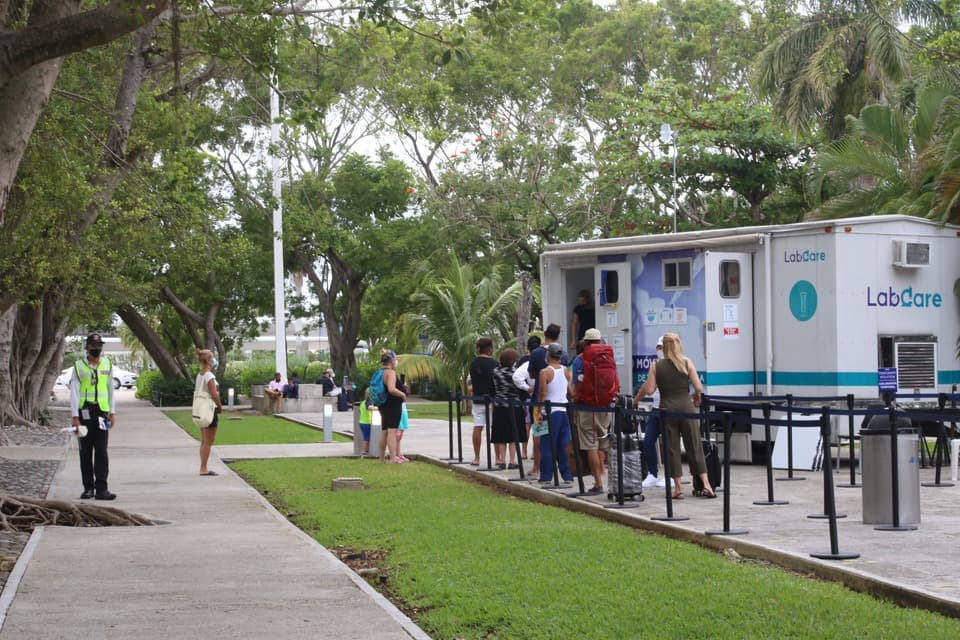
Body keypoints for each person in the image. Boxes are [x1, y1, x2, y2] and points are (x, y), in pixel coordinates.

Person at [634, 332, 715, 499]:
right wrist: (694, 396)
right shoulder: (687, 362)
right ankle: (706, 484)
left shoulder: (656, 365)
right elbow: (698, 387)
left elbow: (649, 390)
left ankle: (678, 488)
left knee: (672, 449)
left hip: (666, 409)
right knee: (694, 445)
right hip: (686, 407)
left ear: (663, 347)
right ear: (678, 345)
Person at [69, 333, 116, 500]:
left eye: (99, 346)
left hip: (102, 413)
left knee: (102, 451)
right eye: (94, 346)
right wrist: (75, 417)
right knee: (85, 451)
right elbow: (74, 393)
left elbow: (110, 390)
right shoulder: (79, 366)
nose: (97, 349)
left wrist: (112, 412)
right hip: (85, 413)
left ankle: (102, 488)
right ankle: (88, 488)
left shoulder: (107, 364)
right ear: (87, 347)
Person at [570, 328, 615, 493]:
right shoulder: (608, 357)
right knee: (603, 443)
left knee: (590, 445)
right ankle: (602, 472)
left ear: (586, 342)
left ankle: (598, 483)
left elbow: (574, 385)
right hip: (605, 406)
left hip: (586, 407)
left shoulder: (580, 360)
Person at [528, 325, 564, 475]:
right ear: (558, 336)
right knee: (557, 435)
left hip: (539, 401)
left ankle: (537, 467)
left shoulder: (536, 353)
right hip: (559, 402)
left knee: (538, 433)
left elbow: (530, 375)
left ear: (545, 334)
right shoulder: (563, 353)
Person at [538, 342, 574, 483]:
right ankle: (567, 474)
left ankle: (546, 475)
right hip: (563, 410)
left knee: (547, 444)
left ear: (548, 355)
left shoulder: (545, 372)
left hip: (549, 411)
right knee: (563, 444)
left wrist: (539, 411)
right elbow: (569, 389)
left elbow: (542, 393)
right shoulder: (565, 370)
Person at [641, 338, 668, 489]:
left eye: (661, 347)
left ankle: (671, 475)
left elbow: (649, 388)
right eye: (657, 347)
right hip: (656, 408)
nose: (659, 350)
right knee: (648, 441)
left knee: (669, 444)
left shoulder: (676, 364)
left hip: (669, 409)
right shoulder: (655, 366)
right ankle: (652, 473)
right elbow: (648, 388)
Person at [468, 337, 498, 466]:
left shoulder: (473, 363)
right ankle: (498, 457)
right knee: (494, 428)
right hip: (492, 399)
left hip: (477, 399)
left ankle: (477, 457)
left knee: (478, 427)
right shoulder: (495, 364)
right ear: (490, 349)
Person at [492, 348, 523, 470]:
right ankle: (512, 460)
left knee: (501, 434)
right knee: (513, 435)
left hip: (500, 406)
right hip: (515, 405)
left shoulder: (495, 372)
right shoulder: (516, 372)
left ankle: (502, 460)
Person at [512, 335, 541, 464]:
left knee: (527, 425)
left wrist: (525, 387)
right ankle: (536, 452)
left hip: (525, 397)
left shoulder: (523, 360)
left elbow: (516, 376)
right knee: (538, 425)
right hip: (538, 397)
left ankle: (524, 451)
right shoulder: (542, 358)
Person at [195, 349, 224, 476]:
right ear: (209, 360)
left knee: (204, 440)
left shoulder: (200, 375)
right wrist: (220, 406)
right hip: (209, 410)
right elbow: (214, 394)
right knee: (209, 440)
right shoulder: (209, 376)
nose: (214, 360)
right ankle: (204, 467)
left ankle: (203, 466)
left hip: (201, 409)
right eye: (213, 357)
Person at [377, 350, 407, 463]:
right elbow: (391, 389)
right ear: (391, 360)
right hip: (392, 405)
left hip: (383, 404)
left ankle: (381, 459)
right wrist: (402, 394)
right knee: (392, 431)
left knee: (384, 430)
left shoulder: (379, 372)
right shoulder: (390, 373)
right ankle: (393, 458)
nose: (396, 361)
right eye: (395, 359)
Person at [357, 388, 373, 456]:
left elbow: (360, 411)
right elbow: (369, 407)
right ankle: (364, 450)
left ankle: (366, 450)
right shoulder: (368, 402)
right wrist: (377, 408)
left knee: (366, 436)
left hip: (362, 422)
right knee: (367, 437)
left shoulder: (362, 402)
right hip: (367, 422)